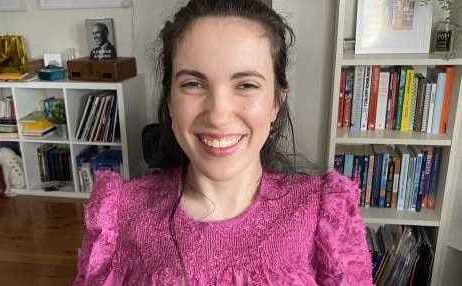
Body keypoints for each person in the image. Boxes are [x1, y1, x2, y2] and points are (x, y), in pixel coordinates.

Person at [75, 0, 373, 285]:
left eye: (246, 85)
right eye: (193, 84)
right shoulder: (118, 213)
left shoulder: (323, 217)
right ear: (169, 99)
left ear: (276, 103)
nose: (218, 114)